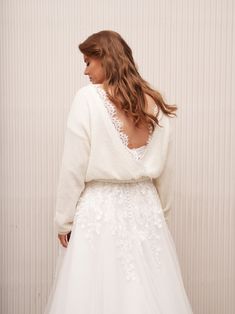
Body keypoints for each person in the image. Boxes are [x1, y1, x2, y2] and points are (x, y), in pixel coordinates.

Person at [44, 30, 193, 313]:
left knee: (94, 295)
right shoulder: (153, 103)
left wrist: (63, 220)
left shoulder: (87, 99)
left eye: (88, 62)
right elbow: (166, 171)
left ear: (106, 60)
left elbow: (72, 166)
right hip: (147, 210)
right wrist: (160, 217)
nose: (85, 70)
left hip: (100, 210)